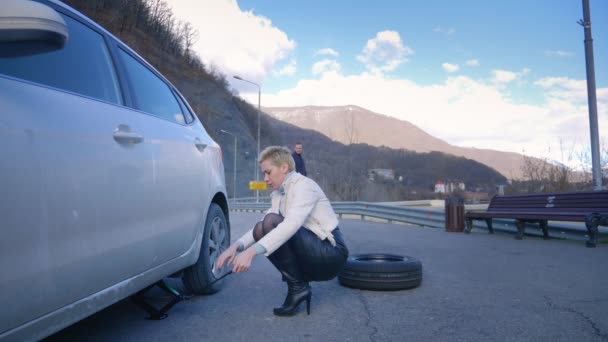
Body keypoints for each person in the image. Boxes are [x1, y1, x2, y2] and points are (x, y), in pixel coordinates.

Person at [216, 146, 348, 316]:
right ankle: (298, 287)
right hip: (313, 251)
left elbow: (291, 225)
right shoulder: (280, 193)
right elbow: (262, 226)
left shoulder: (305, 186)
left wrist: (251, 253)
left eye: (268, 172)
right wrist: (235, 247)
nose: (265, 179)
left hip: (332, 253)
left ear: (284, 168)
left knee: (272, 223)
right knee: (262, 227)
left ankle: (298, 286)